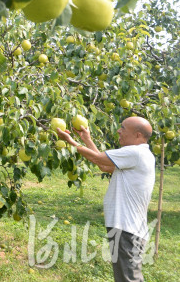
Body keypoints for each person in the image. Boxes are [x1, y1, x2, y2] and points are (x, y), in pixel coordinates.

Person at [56, 116, 154, 282]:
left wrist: (71, 142)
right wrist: (86, 139)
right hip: (126, 226)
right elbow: (104, 164)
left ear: (138, 135)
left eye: (123, 128)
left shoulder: (135, 153)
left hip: (128, 228)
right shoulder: (137, 155)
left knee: (129, 278)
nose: (118, 130)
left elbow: (98, 159)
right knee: (125, 276)